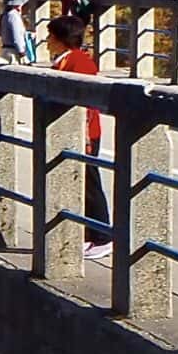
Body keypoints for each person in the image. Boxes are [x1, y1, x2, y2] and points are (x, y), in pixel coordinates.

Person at [46, 13, 111, 259]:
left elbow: (85, 99)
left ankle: (103, 236)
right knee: (77, 182)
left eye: (51, 36)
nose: (47, 40)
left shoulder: (79, 61)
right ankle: (87, 233)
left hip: (85, 132)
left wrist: (84, 134)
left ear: (62, 39)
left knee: (91, 182)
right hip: (69, 130)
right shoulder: (63, 59)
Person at [0, 0, 37, 64]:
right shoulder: (13, 16)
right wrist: (22, 54)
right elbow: (16, 37)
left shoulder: (6, 14)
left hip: (6, 51)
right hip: (13, 53)